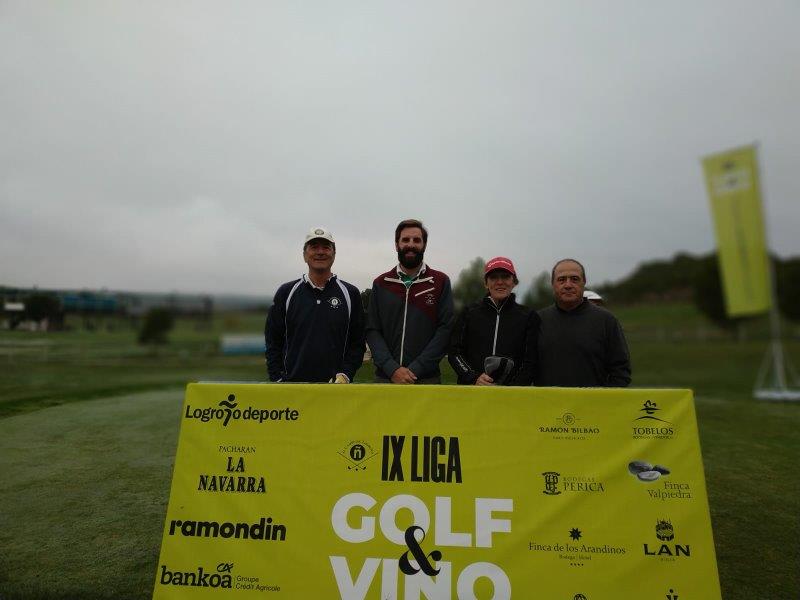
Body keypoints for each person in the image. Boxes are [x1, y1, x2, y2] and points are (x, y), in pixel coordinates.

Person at [265, 227, 365, 383]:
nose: (320, 252)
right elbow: (273, 340)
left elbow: (357, 343)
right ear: (305, 255)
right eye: (314, 247)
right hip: (291, 388)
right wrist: (277, 378)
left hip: (336, 391)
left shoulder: (350, 293)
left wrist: (346, 374)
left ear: (334, 254)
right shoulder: (286, 292)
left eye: (326, 247)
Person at [366, 219, 454, 384]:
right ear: (396, 245)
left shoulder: (441, 282)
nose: (411, 245)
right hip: (385, 378)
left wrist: (417, 368)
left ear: (424, 245)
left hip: (427, 379)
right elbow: (372, 330)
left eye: (417, 240)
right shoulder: (381, 283)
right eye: (405, 240)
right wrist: (392, 369)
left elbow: (445, 330)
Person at [537, 258, 631, 387]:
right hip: (549, 405)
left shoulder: (607, 321)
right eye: (561, 279)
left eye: (574, 279)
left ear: (584, 282)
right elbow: (526, 369)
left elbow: (621, 371)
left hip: (593, 405)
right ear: (553, 284)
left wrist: (604, 401)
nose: (568, 285)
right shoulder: (537, 321)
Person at [448, 257, 539, 386]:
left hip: (511, 396)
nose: (500, 282)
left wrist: (512, 388)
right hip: (472, 392)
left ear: (514, 282)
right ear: (486, 283)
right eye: (494, 277)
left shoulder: (528, 316)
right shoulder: (469, 313)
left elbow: (530, 361)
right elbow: (455, 352)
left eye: (505, 277)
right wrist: (473, 377)